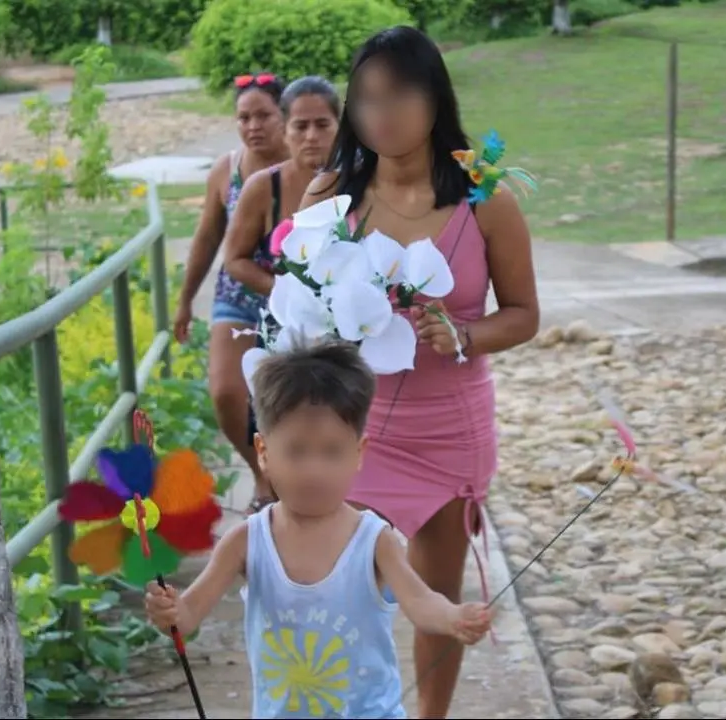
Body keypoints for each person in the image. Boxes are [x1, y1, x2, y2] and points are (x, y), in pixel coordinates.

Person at [300, 26, 539, 719]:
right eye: (367, 99)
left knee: (437, 600)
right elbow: (301, 309)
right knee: (342, 588)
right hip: (352, 426)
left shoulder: (484, 201)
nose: (383, 114)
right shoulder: (331, 196)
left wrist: (464, 333)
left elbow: (523, 314)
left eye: (399, 94)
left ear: (435, 98)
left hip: (449, 429)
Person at [143, 342, 494, 719]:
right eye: (295, 451)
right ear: (263, 451)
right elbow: (190, 613)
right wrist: (170, 613)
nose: (314, 471)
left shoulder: (375, 540)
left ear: (359, 453)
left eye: (331, 452)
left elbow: (421, 601)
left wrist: (453, 618)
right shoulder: (246, 541)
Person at [222, 76, 342, 513]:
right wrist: (291, 292)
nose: (311, 136)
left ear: (341, 127)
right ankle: (283, 494)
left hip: (348, 324)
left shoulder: (365, 185)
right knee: (284, 411)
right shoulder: (263, 187)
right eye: (300, 126)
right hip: (277, 316)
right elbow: (234, 257)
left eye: (323, 125)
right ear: (285, 131)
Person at [173, 72, 288, 502]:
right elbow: (206, 238)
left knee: (288, 400)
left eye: (264, 116)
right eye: (244, 118)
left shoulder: (306, 164)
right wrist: (185, 300)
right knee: (226, 392)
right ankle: (262, 472)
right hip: (237, 294)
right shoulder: (227, 169)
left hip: (296, 299)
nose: (253, 126)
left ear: (284, 116)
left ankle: (291, 480)